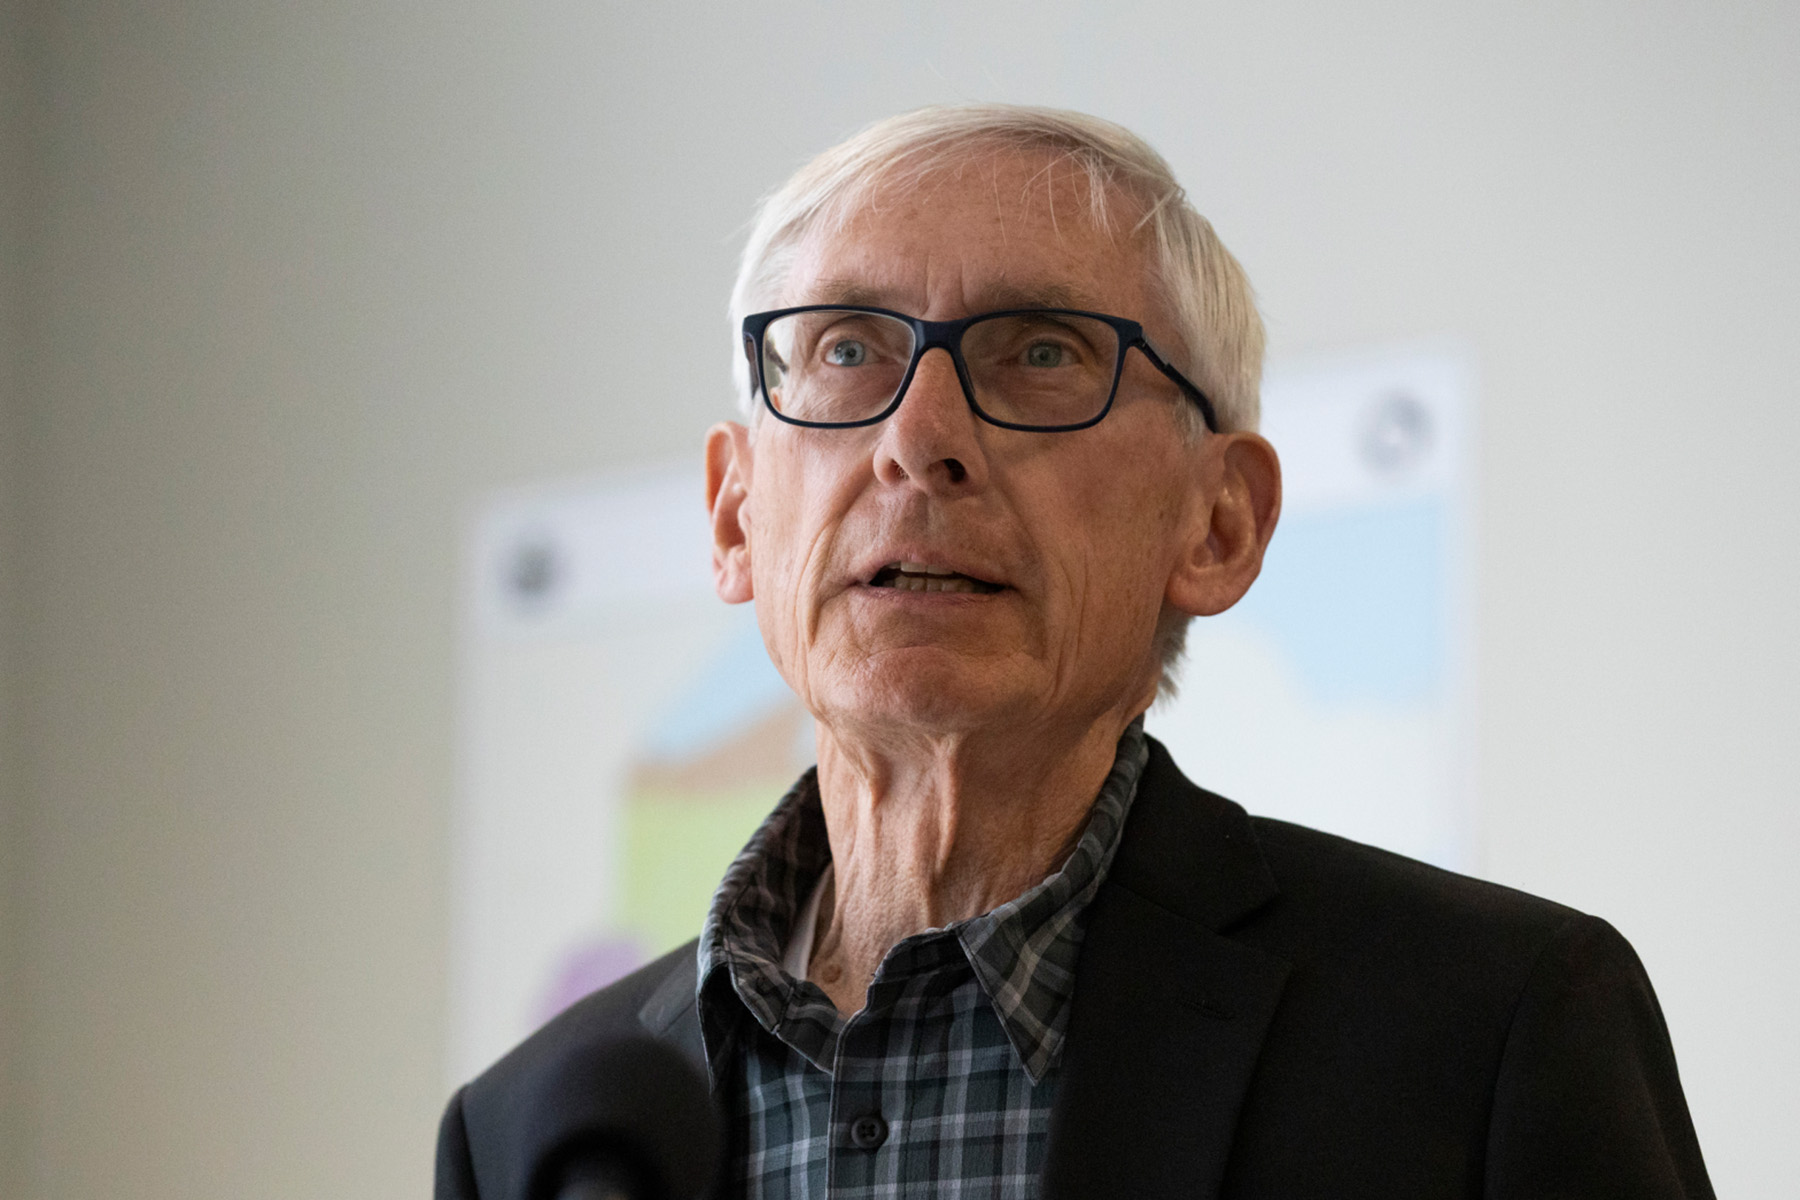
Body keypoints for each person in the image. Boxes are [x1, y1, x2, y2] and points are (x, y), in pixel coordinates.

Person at [435, 105, 1713, 1199]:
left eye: (1040, 354)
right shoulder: (525, 1134)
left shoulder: (1491, 1029)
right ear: (733, 518)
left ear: (1220, 523)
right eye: (843, 350)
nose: (916, 439)